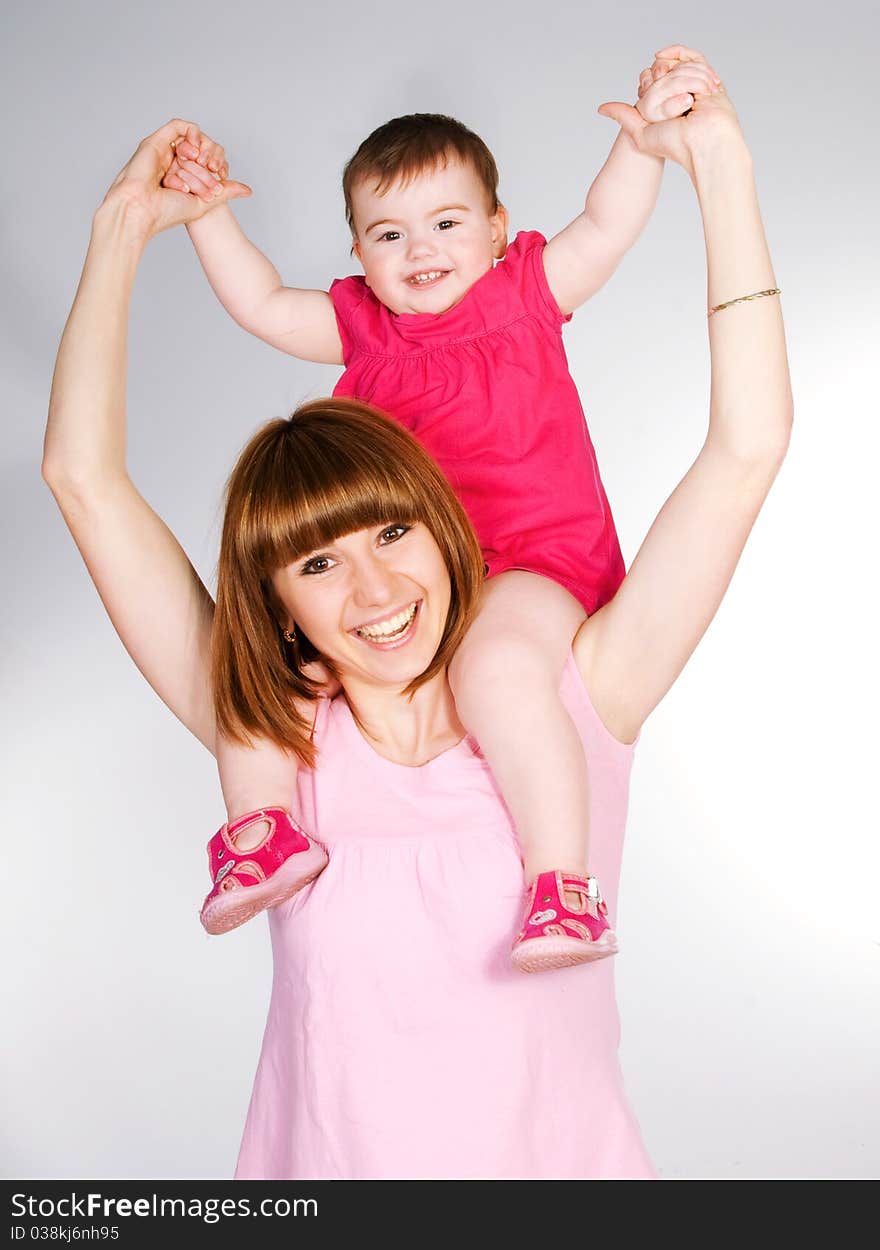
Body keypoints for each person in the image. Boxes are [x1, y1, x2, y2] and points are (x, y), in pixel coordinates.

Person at [43, 47, 791, 1179]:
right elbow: (82, 478)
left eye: (393, 534)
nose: (375, 591)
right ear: (277, 598)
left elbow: (747, 446)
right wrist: (126, 229)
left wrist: (716, 165)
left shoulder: (573, 685)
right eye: (317, 563)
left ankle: (563, 887)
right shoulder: (275, 724)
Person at [155, 49, 725, 969]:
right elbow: (259, 303)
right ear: (358, 256)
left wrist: (645, 146)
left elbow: (605, 227)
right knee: (279, 668)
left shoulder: (527, 295)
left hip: (531, 562)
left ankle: (562, 889)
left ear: (499, 230)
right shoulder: (362, 329)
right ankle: (263, 829)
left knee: (498, 675)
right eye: (388, 234)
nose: (420, 250)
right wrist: (208, 213)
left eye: (447, 223)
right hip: (415, 580)